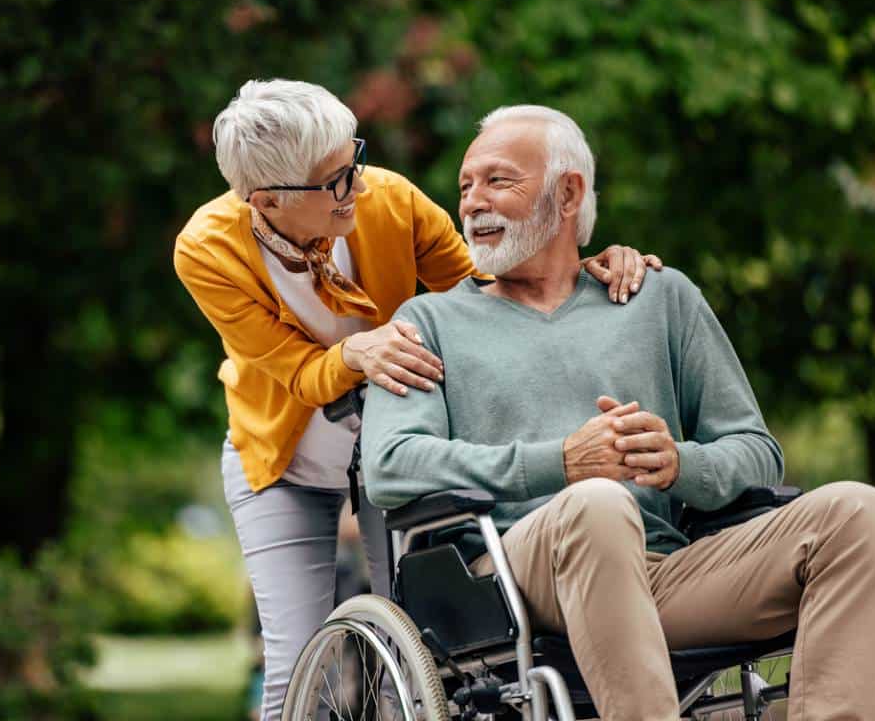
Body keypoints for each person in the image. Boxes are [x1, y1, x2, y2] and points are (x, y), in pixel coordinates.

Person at [360, 103, 875, 720]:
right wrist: (560, 463)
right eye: (465, 186)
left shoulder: (658, 297)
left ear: (567, 194)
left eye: (497, 180)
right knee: (598, 503)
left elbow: (755, 450)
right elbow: (392, 467)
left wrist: (679, 465)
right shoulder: (427, 323)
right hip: (510, 576)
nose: (472, 202)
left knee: (861, 514)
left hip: (664, 571)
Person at [173, 79, 661, 720]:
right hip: (281, 463)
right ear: (267, 200)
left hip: (398, 448)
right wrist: (356, 353)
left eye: (356, 159)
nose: (359, 183)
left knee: (423, 650)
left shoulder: (391, 201)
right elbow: (294, 373)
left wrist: (585, 266)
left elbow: (491, 288)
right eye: (336, 179)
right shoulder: (208, 248)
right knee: (295, 667)